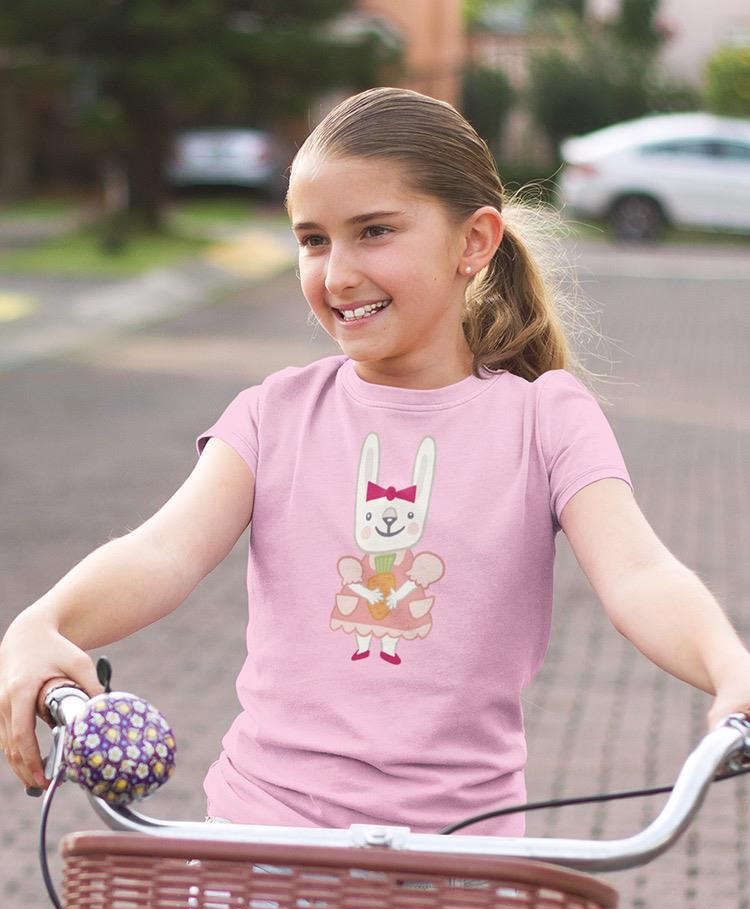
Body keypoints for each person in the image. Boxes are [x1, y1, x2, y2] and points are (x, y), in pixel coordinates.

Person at [1, 88, 749, 837]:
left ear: (475, 241)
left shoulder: (544, 418)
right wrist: (45, 621)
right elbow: (161, 552)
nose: (337, 274)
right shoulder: (274, 412)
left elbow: (639, 574)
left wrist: (728, 668)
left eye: (375, 231)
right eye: (313, 240)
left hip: (461, 860)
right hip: (261, 836)